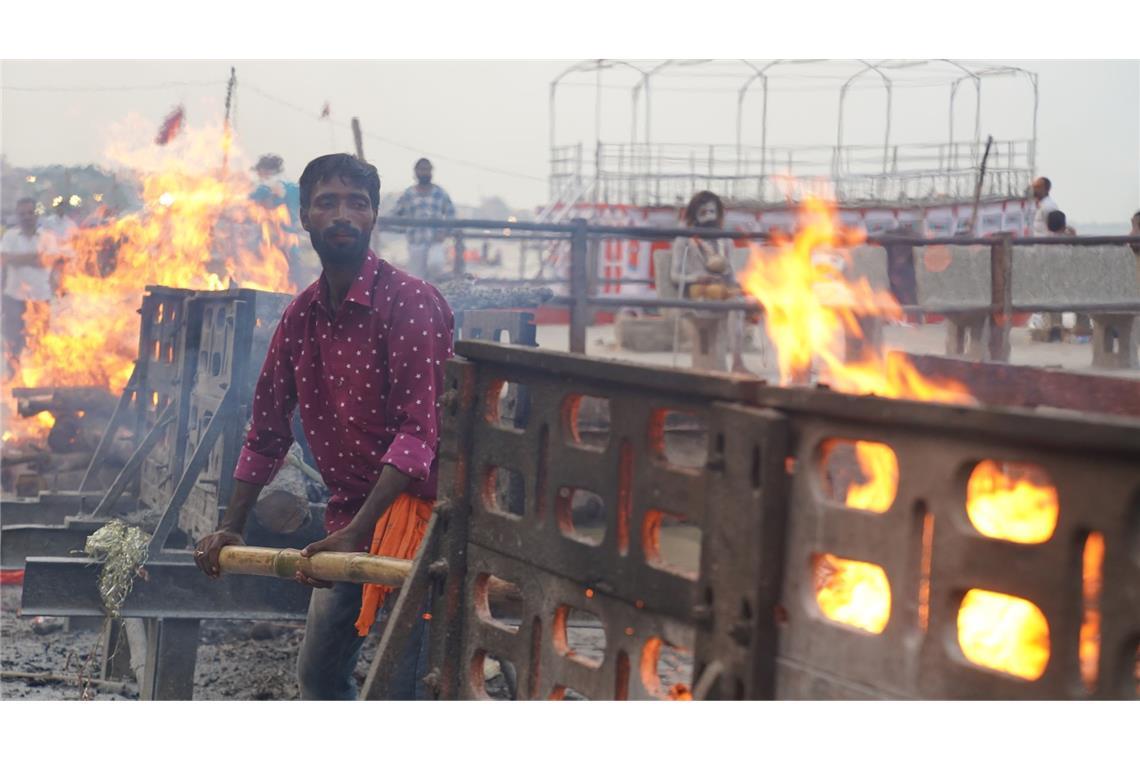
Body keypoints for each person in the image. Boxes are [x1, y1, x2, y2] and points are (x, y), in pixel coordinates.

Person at [194, 154, 455, 700]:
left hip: (423, 525)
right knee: (317, 679)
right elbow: (266, 429)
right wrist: (233, 523)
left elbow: (417, 438)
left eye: (356, 203)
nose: (342, 215)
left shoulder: (409, 301)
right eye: (327, 203)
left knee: (401, 690)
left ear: (374, 216)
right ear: (304, 217)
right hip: (347, 521)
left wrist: (359, 534)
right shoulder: (300, 316)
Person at [669, 190, 748, 373]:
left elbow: (732, 278)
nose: (709, 217)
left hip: (721, 293)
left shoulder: (725, 240)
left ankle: (738, 362)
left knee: (739, 302)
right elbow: (675, 275)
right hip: (698, 296)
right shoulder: (684, 240)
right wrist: (697, 278)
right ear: (694, 214)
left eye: (713, 212)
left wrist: (729, 276)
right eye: (704, 212)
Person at [1, 198, 62, 371]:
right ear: (17, 216)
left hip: (40, 299)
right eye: (22, 214)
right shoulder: (10, 236)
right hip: (14, 298)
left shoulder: (48, 237)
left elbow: (47, 261)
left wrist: (17, 258)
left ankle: (41, 382)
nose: (26, 217)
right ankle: (14, 381)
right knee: (13, 344)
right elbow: (3, 259)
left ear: (36, 214)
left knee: (41, 344)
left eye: (30, 213)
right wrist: (34, 257)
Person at [249, 154, 307, 287]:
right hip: (271, 250)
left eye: (262, 173)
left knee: (289, 286)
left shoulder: (278, 189)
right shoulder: (293, 189)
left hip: (282, 249)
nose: (260, 176)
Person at [393, 158, 455, 280]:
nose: (424, 173)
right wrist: (404, 228)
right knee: (416, 278)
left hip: (436, 240)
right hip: (416, 241)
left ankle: (434, 294)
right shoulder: (408, 194)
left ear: (431, 172)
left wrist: (445, 232)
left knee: (436, 264)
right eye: (422, 170)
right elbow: (395, 214)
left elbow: (451, 214)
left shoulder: (440, 193)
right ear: (416, 172)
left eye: (427, 170)